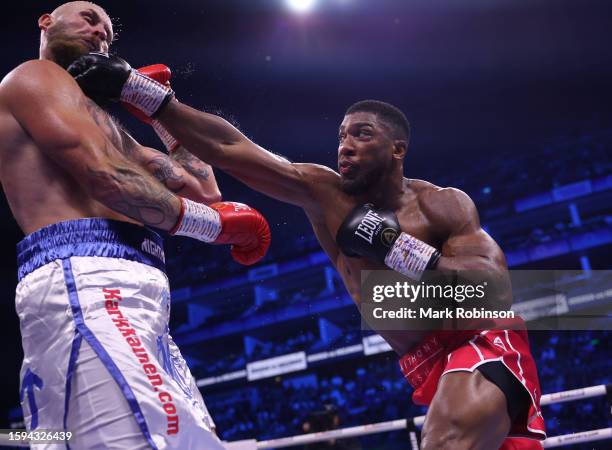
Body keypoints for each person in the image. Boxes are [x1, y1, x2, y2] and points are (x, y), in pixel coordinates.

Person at [69, 53, 546, 449]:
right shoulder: (325, 195)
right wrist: (139, 90)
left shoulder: (442, 204)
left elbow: (492, 291)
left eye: (362, 134)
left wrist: (393, 246)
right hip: (424, 360)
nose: (346, 146)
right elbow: (230, 146)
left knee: (441, 443)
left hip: (480, 341)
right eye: (341, 135)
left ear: (397, 149)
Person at [0, 2, 270, 449]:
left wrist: (158, 109)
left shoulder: (109, 127)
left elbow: (204, 190)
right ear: (46, 21)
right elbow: (106, 179)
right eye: (89, 18)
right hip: (84, 278)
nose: (99, 34)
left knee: (175, 439)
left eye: (107, 33)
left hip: (135, 288)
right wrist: (213, 228)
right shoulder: (33, 77)